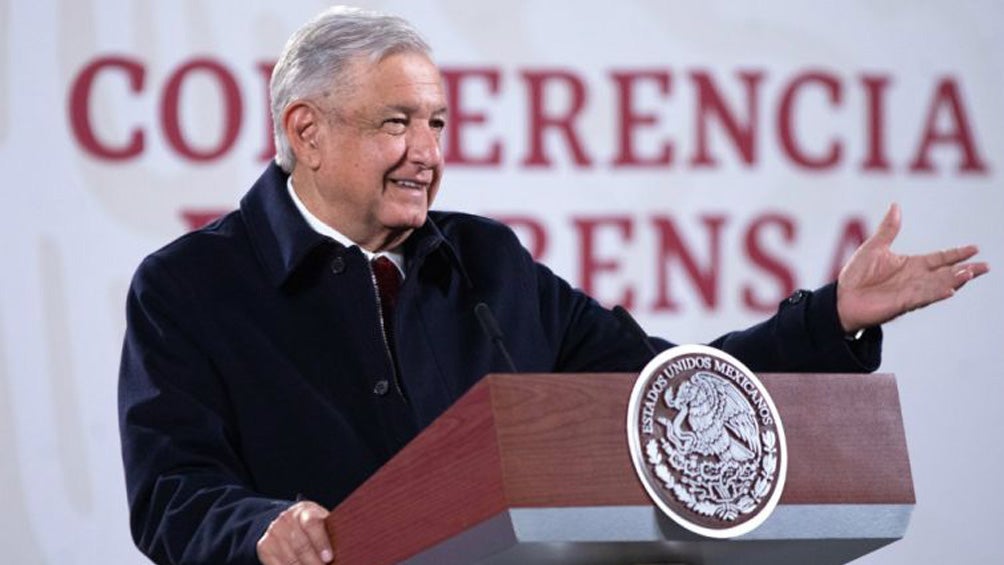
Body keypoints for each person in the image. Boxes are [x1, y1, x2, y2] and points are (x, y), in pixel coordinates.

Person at [117, 6, 988, 565]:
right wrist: (262, 530)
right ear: (305, 130)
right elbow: (172, 492)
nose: (427, 151)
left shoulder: (487, 265)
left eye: (438, 122)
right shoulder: (191, 287)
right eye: (397, 122)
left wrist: (826, 320)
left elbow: (665, 393)